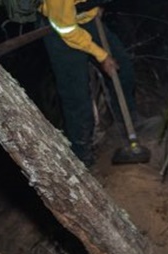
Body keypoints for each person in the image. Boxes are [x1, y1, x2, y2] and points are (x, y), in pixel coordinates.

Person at [39, 0, 139, 166]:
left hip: (87, 19)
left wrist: (97, 7)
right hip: (59, 29)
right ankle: (81, 155)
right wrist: (102, 56)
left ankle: (127, 123)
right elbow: (67, 30)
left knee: (123, 68)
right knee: (76, 96)